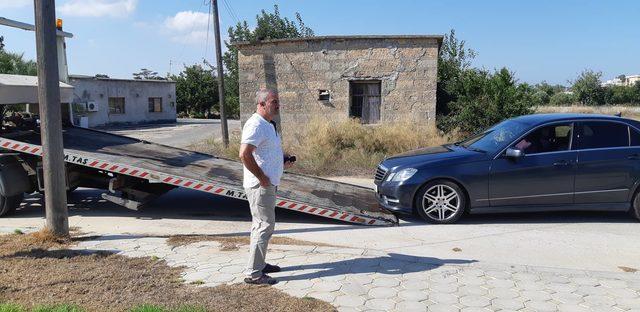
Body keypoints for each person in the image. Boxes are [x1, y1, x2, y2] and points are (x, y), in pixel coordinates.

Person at [239, 88, 295, 285]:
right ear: (261, 104)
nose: (278, 105)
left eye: (278, 101)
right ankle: (254, 273)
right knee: (264, 226)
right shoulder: (255, 125)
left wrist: (282, 162)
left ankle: (259, 264)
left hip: (268, 184)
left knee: (261, 226)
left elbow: (265, 153)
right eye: (274, 101)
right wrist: (262, 177)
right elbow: (244, 154)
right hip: (260, 186)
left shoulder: (269, 124)